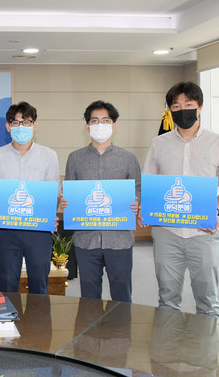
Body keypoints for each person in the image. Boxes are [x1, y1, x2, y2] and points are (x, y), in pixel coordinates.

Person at [142, 81, 219, 318]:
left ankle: (207, 344)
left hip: (203, 233)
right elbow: (150, 187)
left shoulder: (218, 143)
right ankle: (167, 343)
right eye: (176, 106)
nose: (182, 109)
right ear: (169, 110)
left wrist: (213, 211)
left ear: (200, 107)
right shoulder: (158, 144)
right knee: (167, 299)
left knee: (208, 302)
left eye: (188, 104)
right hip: (167, 233)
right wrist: (144, 208)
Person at [62, 100, 141, 302]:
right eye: (95, 120)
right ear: (87, 126)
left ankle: (121, 325)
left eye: (106, 120)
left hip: (119, 240)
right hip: (86, 240)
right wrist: (65, 203)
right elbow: (69, 192)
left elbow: (138, 190)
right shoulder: (75, 158)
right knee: (89, 297)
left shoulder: (128, 158)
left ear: (114, 125)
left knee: (122, 295)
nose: (100, 125)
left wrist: (136, 202)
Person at [0, 101, 59, 294]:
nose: (21, 126)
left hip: (38, 230)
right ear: (8, 127)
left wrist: (50, 211)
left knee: (39, 285)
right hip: (6, 230)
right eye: (16, 123)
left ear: (35, 125)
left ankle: (38, 316)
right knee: (7, 284)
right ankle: (9, 315)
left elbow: (54, 195)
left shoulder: (49, 155)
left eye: (26, 122)